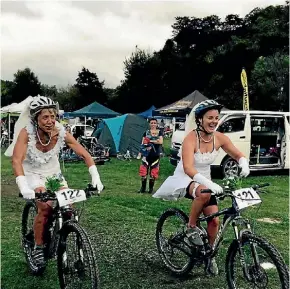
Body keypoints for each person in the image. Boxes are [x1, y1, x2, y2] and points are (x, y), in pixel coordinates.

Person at [4, 95, 104, 267]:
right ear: (35, 119)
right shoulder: (26, 133)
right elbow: (16, 160)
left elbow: (83, 153)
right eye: (45, 117)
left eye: (53, 116)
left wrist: (95, 176)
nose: (50, 121)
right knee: (45, 207)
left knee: (68, 208)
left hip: (53, 174)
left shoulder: (60, 131)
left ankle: (59, 235)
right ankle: (38, 246)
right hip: (32, 174)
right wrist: (23, 186)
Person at [152, 100, 249, 275]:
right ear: (199, 120)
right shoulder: (190, 138)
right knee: (203, 193)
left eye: (216, 118)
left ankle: (208, 256)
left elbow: (236, 153)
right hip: (186, 176)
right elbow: (188, 167)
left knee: (214, 220)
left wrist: (243, 161)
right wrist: (208, 184)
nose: (213, 121)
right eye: (209, 118)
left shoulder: (219, 137)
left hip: (205, 178)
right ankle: (190, 226)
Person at [138, 117, 163, 194]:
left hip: (155, 155)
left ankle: (151, 189)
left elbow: (161, 142)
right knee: (143, 172)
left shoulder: (160, 132)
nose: (153, 124)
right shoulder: (146, 132)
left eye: (154, 123)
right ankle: (143, 188)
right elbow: (143, 143)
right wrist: (140, 153)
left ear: (157, 124)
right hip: (146, 154)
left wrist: (150, 141)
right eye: (151, 123)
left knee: (153, 172)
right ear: (149, 124)